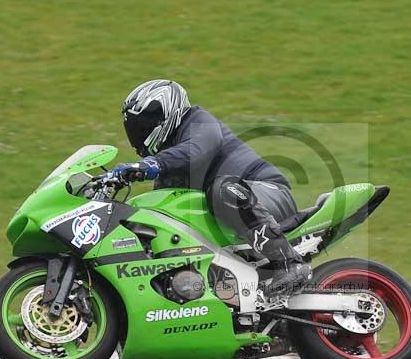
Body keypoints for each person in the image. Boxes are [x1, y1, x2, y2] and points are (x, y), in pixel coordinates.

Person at [109, 79, 311, 297]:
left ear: (166, 115)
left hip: (266, 192)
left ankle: (289, 263)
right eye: (135, 129)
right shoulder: (169, 160)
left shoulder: (198, 123)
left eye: (143, 127)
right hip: (233, 210)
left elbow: (195, 150)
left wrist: (150, 164)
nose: (138, 136)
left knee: (221, 188)